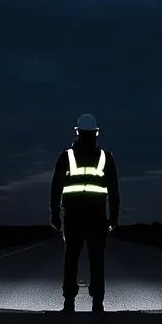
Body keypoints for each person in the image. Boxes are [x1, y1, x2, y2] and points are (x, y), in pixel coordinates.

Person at [49, 113, 120, 313]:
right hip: (96, 217)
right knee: (97, 259)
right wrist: (113, 217)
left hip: (73, 217)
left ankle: (69, 303)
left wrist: (54, 213)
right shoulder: (106, 158)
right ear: (96, 133)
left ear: (77, 132)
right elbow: (114, 191)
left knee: (71, 258)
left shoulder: (66, 156)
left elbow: (56, 187)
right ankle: (97, 303)